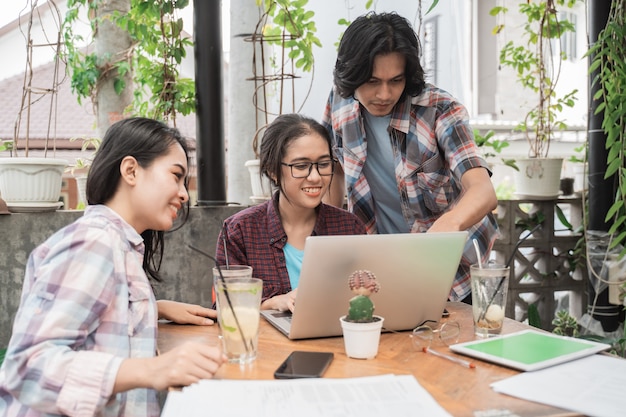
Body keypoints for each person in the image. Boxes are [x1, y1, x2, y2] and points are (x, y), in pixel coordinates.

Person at [0, 117, 226, 417]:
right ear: (131, 170)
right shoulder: (94, 243)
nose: (184, 194)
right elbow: (27, 368)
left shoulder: (114, 242)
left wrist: (150, 308)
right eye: (176, 176)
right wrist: (153, 369)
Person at [322, 12, 499, 303]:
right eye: (372, 81)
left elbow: (483, 190)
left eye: (396, 80)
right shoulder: (340, 100)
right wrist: (331, 237)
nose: (384, 93)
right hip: (379, 265)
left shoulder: (440, 110)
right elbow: (334, 168)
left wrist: (450, 223)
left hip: (453, 270)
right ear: (350, 76)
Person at [216, 114, 366, 312]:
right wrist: (271, 303)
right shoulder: (239, 231)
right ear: (272, 170)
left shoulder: (349, 228)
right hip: (266, 343)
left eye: (323, 164)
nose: (315, 177)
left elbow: (368, 300)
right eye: (301, 166)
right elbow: (224, 309)